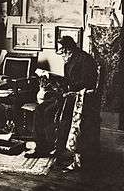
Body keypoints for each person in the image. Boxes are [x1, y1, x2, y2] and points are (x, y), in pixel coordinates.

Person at [25, 36, 99, 172]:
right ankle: (41, 146)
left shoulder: (85, 60)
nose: (60, 55)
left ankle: (60, 151)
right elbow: (67, 81)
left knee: (60, 117)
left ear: (68, 49)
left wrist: (68, 88)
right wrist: (54, 82)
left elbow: (87, 83)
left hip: (79, 98)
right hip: (66, 96)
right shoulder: (68, 60)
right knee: (41, 109)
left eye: (61, 51)